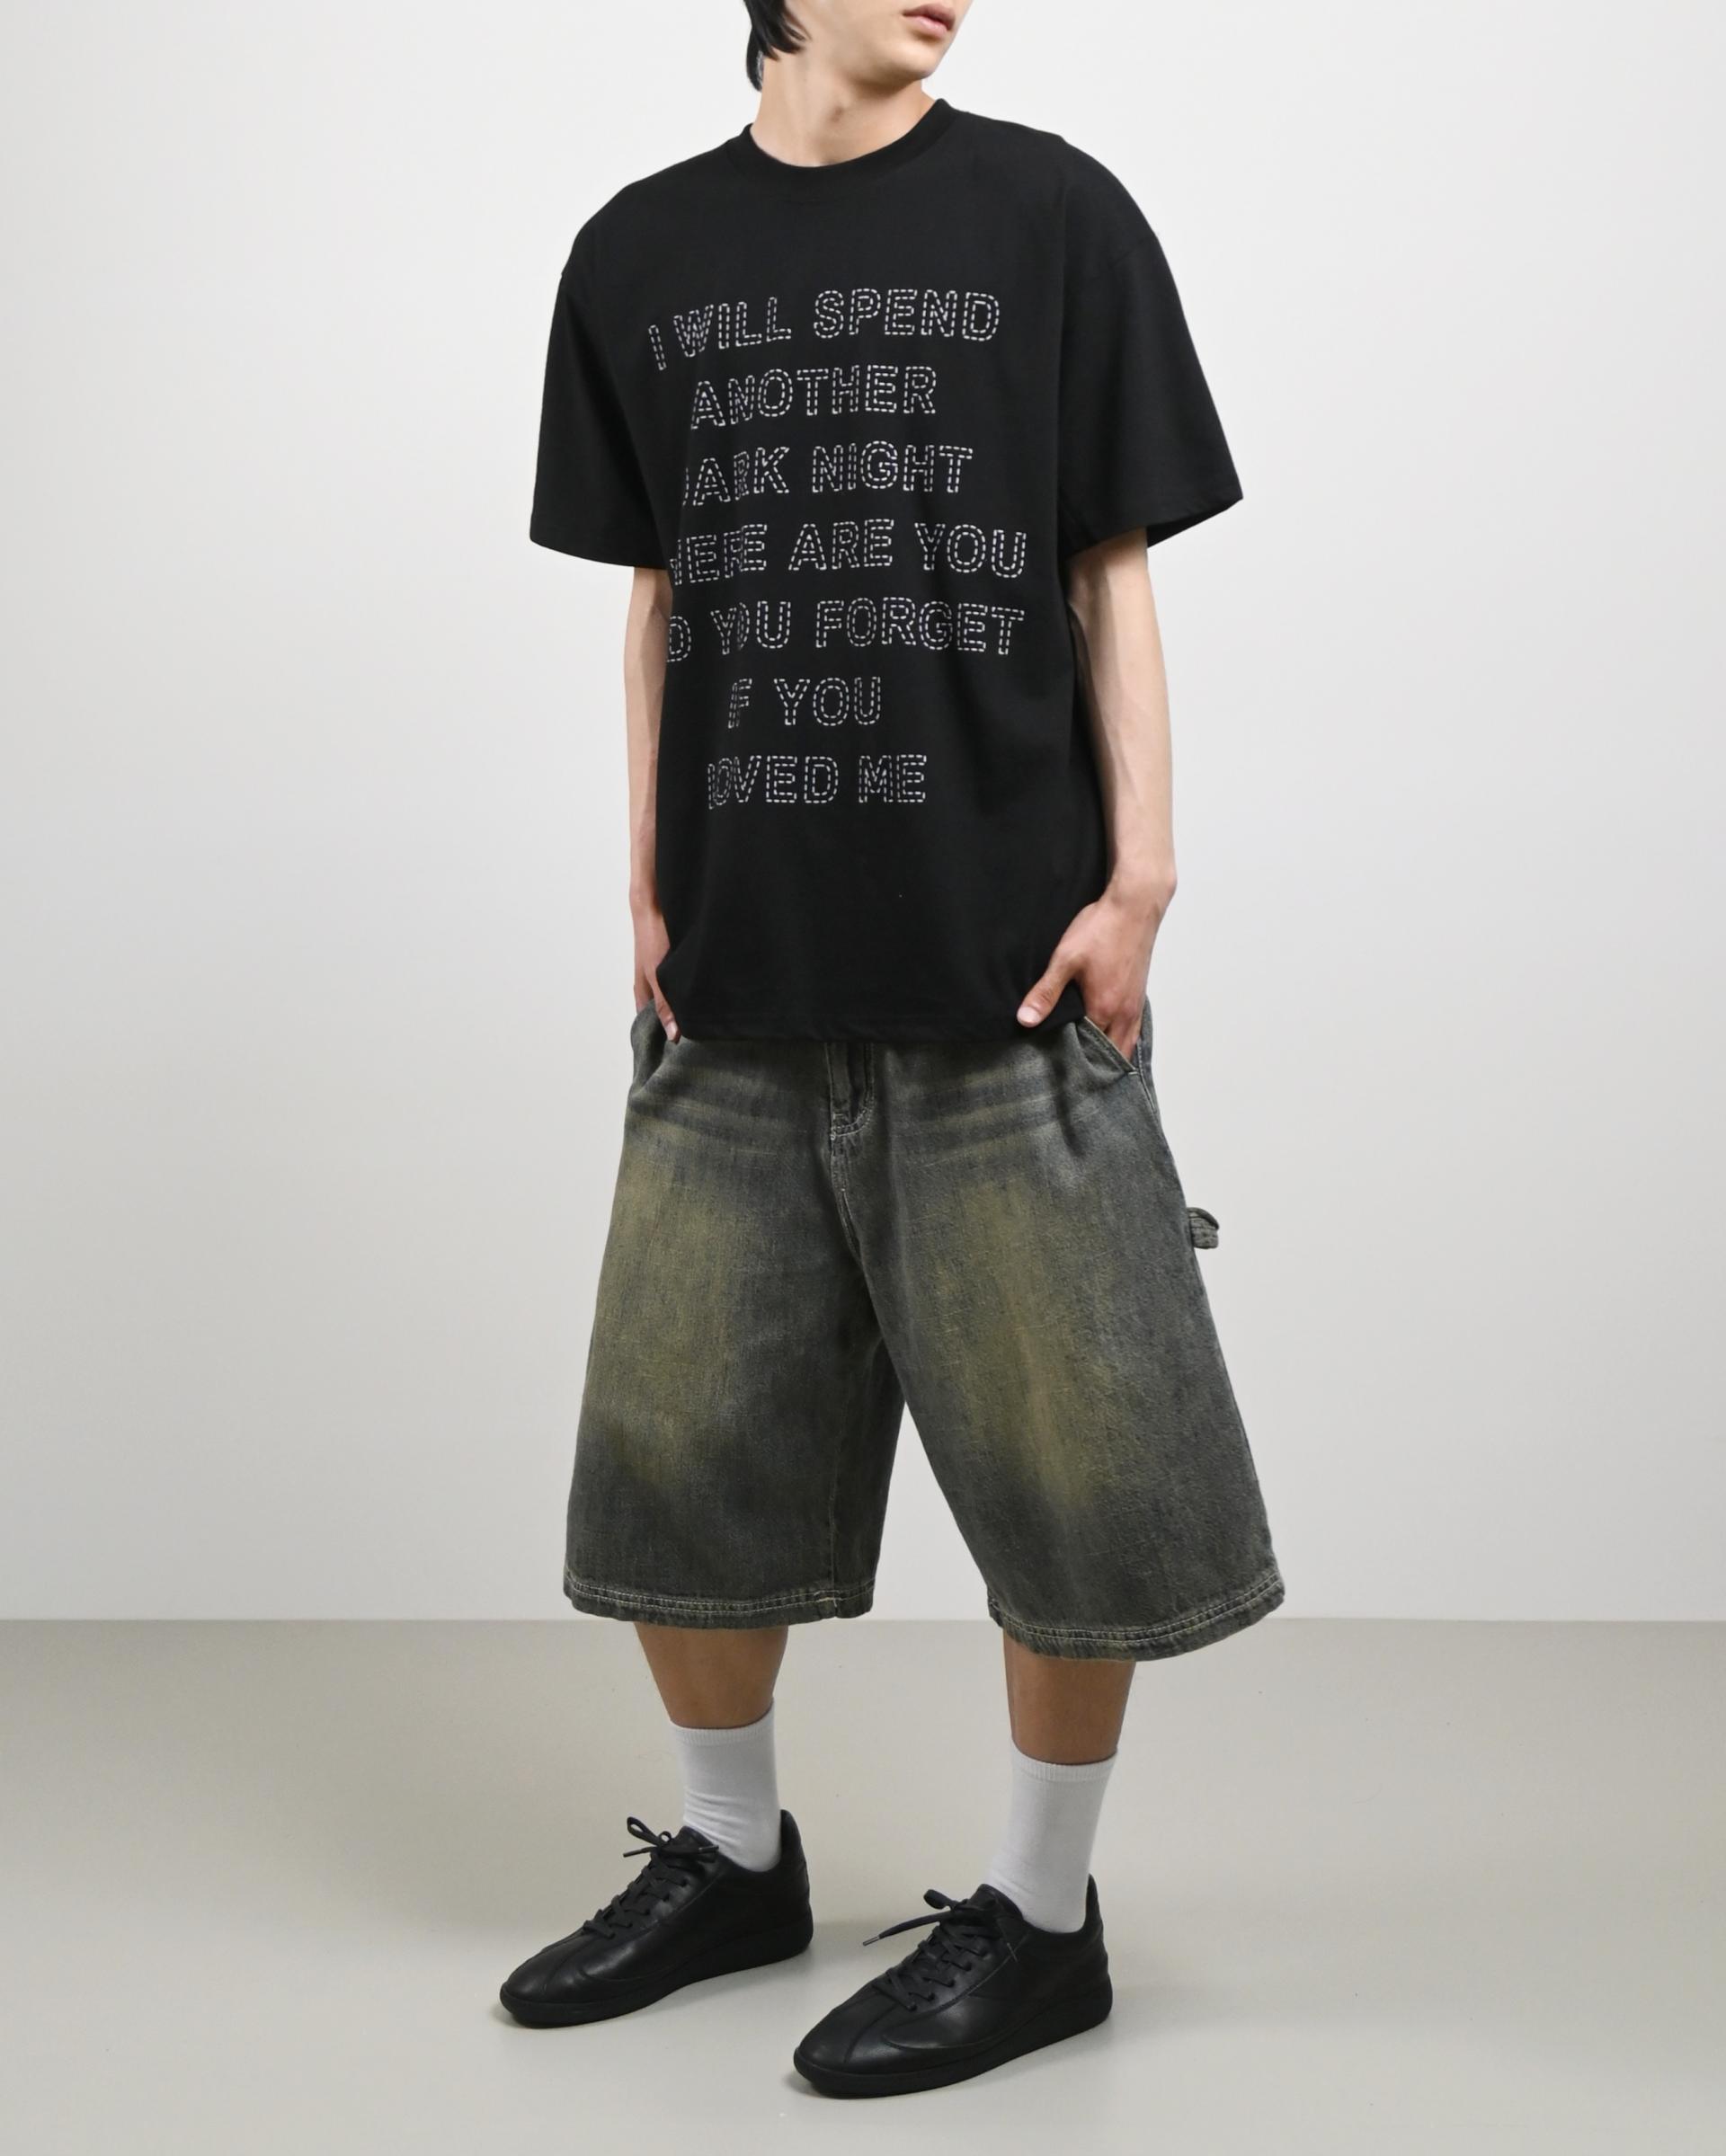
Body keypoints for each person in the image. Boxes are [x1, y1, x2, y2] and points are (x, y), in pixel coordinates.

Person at [503, 0, 1283, 2097]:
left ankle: (1043, 1916)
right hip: (735, 980)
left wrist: (1144, 876)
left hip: (1001, 966)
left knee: (1076, 1479)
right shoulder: (636, 253)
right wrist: (645, 885)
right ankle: (733, 1859)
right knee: (681, 1462)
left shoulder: (1053, 216)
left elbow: (1109, 563)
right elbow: (661, 597)